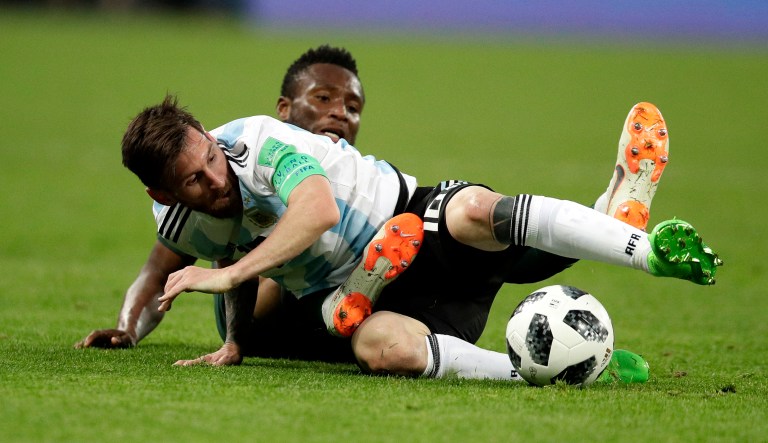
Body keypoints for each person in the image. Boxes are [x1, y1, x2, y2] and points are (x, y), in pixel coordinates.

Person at [119, 92, 721, 384]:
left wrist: (226, 276)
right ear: (163, 196)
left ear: (206, 134)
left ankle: (641, 247)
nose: (214, 178)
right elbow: (232, 253)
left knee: (476, 215)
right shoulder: (181, 220)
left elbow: (317, 208)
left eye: (210, 159)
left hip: (408, 213)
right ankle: (566, 369)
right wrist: (235, 342)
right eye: (193, 181)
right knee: (383, 351)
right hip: (389, 298)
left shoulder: (254, 143)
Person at [75, 45, 364, 362]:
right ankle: (347, 304)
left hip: (305, 330)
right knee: (291, 248)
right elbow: (156, 273)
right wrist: (127, 328)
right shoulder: (234, 171)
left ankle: (356, 321)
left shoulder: (350, 180)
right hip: (251, 318)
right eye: (323, 99)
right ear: (284, 108)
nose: (340, 112)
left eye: (353, 106)